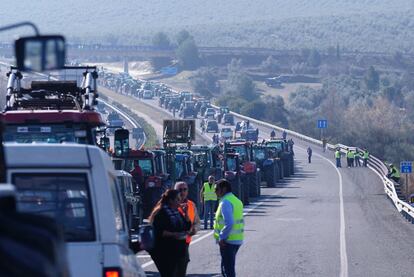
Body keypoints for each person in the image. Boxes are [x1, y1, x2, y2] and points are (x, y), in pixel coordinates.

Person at [149, 189, 192, 277]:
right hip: (166, 251)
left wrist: (186, 213)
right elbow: (158, 231)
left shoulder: (177, 211)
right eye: (177, 199)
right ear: (170, 200)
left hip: (179, 250)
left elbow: (187, 226)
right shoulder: (160, 213)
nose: (179, 202)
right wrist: (174, 234)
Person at [214, 179, 244, 277]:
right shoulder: (236, 200)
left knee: (227, 271)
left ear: (224, 189)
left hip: (227, 241)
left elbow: (229, 222)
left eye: (217, 189)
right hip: (236, 239)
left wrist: (222, 237)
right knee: (228, 269)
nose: (215, 192)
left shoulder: (225, 202)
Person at [175, 182, 200, 277]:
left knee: (182, 269)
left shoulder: (191, 205)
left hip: (185, 242)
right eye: (180, 190)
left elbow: (197, 222)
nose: (182, 192)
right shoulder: (170, 204)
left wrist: (193, 230)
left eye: (185, 189)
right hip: (171, 242)